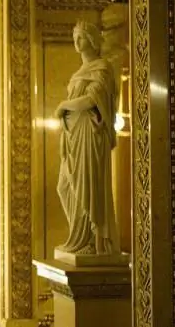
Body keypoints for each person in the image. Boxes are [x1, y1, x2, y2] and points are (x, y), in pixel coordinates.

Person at [54, 21, 120, 255]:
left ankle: (92, 240)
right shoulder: (77, 73)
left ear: (92, 40)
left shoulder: (102, 68)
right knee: (64, 187)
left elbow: (92, 101)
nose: (76, 41)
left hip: (89, 134)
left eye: (80, 37)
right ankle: (77, 235)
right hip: (73, 134)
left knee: (87, 187)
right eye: (75, 37)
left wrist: (63, 105)